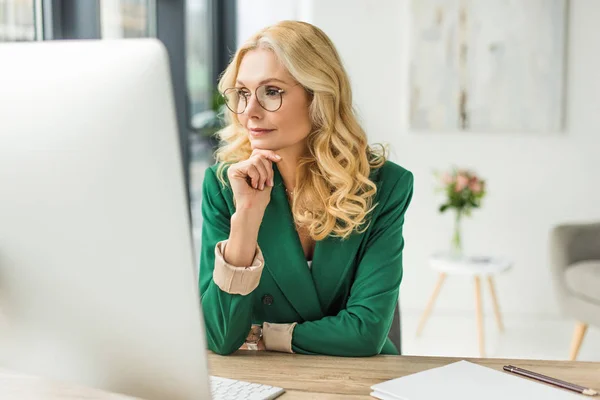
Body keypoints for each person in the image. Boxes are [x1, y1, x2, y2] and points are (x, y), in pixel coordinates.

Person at [198, 20, 413, 357]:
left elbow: (365, 332)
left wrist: (266, 335)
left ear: (319, 97)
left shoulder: (384, 185)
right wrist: (247, 217)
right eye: (242, 93)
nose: (249, 112)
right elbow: (220, 336)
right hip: (265, 380)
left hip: (360, 377)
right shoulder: (225, 186)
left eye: (271, 91)